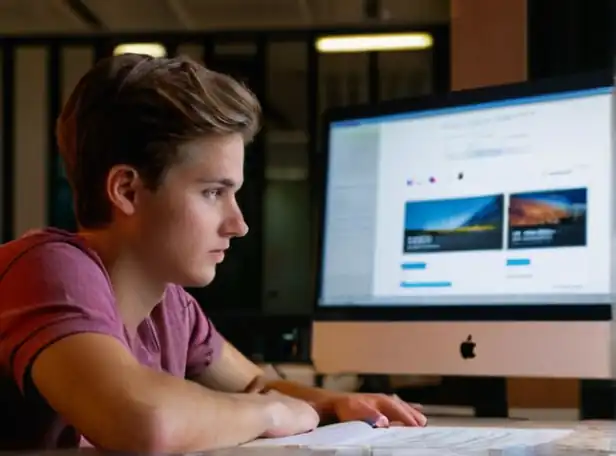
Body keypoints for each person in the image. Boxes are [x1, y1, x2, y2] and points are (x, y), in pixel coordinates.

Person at [0, 54, 426, 452]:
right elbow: (146, 420)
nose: (238, 224)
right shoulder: (45, 268)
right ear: (127, 190)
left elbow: (253, 386)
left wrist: (337, 404)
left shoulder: (171, 307)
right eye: (212, 192)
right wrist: (275, 412)